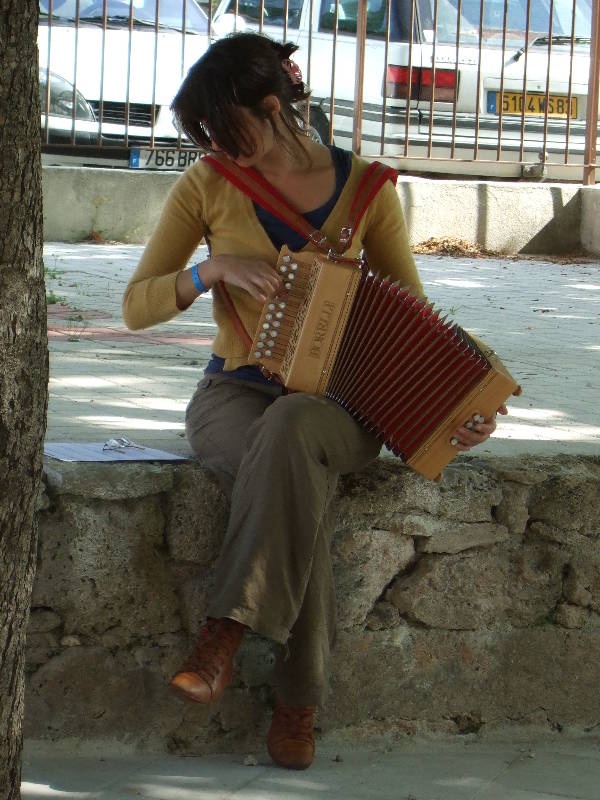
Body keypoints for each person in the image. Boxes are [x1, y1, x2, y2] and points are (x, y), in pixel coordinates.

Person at [122, 32, 506, 770]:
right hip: (231, 394)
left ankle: (223, 637)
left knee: (296, 428)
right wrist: (212, 272)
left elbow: (416, 322)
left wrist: (464, 405)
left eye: (225, 129)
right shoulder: (208, 184)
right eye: (203, 135)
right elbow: (138, 305)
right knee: (293, 481)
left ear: (273, 107)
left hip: (337, 408)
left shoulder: (368, 191)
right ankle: (299, 703)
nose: (216, 147)